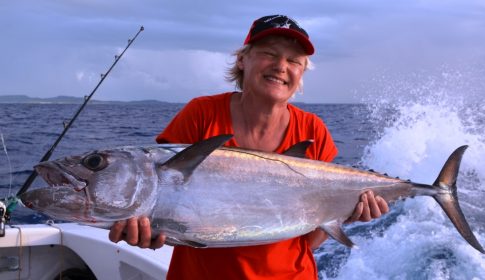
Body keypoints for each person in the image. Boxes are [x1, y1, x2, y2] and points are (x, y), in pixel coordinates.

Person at [109, 15, 389, 279]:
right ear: (243, 59)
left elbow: (309, 239)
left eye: (293, 60)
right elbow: (158, 200)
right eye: (269, 53)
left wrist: (345, 214)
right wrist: (146, 231)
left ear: (302, 72)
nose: (281, 66)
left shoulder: (313, 130)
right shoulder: (201, 114)